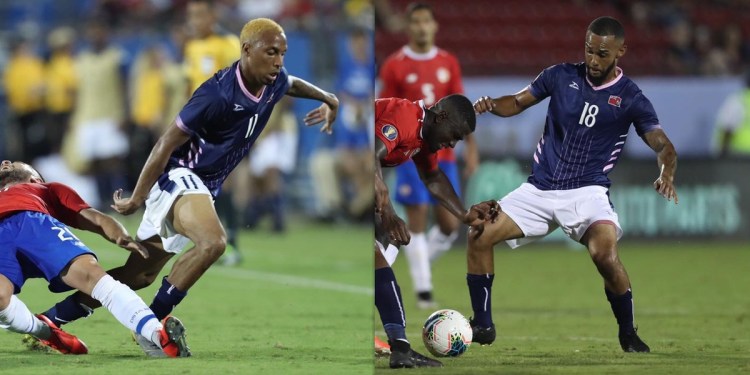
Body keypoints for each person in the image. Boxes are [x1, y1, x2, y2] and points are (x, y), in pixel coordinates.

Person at [35, 18, 338, 356]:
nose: (279, 61)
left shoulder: (273, 79)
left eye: (282, 52)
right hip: (180, 176)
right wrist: (137, 195)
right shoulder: (217, 93)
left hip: (202, 187)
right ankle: (153, 326)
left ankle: (50, 320)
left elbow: (291, 82)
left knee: (141, 275)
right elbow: (165, 143)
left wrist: (328, 98)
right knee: (213, 243)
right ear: (246, 50)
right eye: (271, 52)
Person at [468, 16, 678, 353]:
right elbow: (519, 101)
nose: (594, 61)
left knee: (605, 256)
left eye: (603, 54)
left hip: (587, 192)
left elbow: (662, 145)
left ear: (621, 52)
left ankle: (628, 333)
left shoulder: (631, 98)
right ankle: (483, 325)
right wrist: (493, 104)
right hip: (539, 188)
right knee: (479, 233)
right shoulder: (560, 75)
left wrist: (666, 170)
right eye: (590, 51)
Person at [0, 160, 190, 357]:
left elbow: (96, 219)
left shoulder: (46, 190)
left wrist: (120, 235)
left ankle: (157, 335)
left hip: (32, 223)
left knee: (91, 276)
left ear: (35, 179)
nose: (5, 162)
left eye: (14, 162)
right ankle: (46, 332)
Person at [374, 94, 494, 368]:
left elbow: (432, 176)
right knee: (379, 252)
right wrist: (389, 214)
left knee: (385, 250)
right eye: (454, 134)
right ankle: (400, 348)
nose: (452, 143)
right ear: (440, 117)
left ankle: (397, 344)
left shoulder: (423, 137)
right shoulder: (404, 118)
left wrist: (464, 215)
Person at [379, 2, 479, 309]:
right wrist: (386, 208)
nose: (422, 28)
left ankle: (413, 276)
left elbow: (434, 175)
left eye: (427, 22)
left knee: (440, 228)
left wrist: (465, 215)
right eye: (416, 22)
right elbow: (374, 150)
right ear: (409, 26)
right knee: (402, 227)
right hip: (388, 148)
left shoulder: (448, 62)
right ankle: (421, 291)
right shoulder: (395, 69)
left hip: (422, 143)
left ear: (435, 26)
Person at [184, 0, 244, 265]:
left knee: (224, 181)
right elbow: (192, 85)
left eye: (199, 15)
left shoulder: (227, 44)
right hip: (199, 123)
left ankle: (231, 243)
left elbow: (239, 83)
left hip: (224, 123)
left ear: (212, 16)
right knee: (200, 181)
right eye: (191, 16)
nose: (194, 21)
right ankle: (211, 240)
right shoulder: (192, 46)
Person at [715, 69, 750, 157]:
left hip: (739, 157)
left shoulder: (738, 101)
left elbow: (727, 128)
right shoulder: (738, 101)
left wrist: (721, 153)